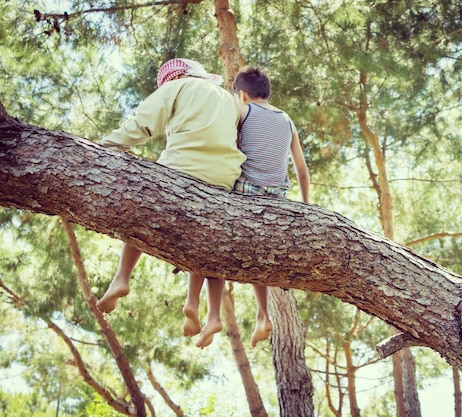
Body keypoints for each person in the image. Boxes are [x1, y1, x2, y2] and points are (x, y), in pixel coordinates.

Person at [97, 58, 245, 314]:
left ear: (173, 77)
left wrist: (102, 147)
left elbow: (141, 125)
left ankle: (122, 277)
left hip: (181, 170)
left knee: (141, 211)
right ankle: (196, 304)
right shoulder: (229, 99)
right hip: (223, 180)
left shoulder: (175, 87)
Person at [182, 66, 310, 349]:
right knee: (257, 257)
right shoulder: (287, 120)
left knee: (210, 240)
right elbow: (301, 170)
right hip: (277, 200)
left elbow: (221, 144)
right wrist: (306, 206)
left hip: (246, 193)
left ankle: (209, 312)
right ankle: (264, 315)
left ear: (241, 94)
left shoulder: (243, 112)